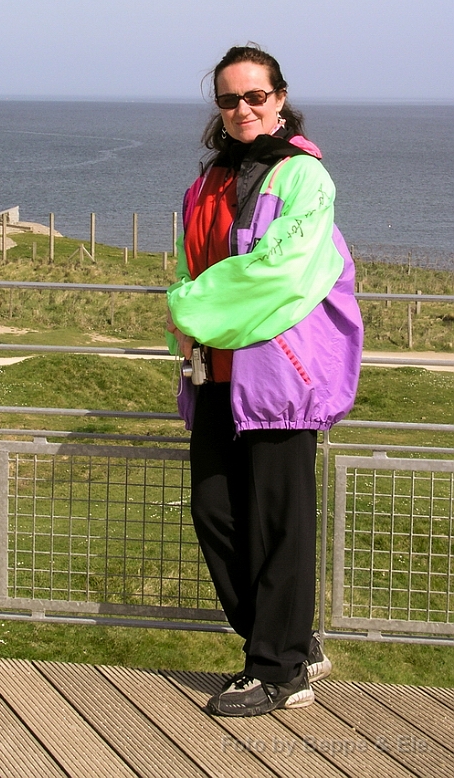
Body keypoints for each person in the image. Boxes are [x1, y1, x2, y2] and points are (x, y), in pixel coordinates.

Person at [165, 44, 363, 718]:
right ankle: (288, 644)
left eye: (256, 96)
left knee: (279, 523)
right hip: (218, 374)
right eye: (229, 98)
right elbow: (198, 266)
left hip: (281, 375)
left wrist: (187, 311)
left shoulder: (304, 178)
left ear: (279, 99)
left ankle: (278, 671)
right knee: (216, 514)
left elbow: (281, 272)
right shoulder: (209, 181)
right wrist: (190, 325)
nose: (243, 108)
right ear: (217, 107)